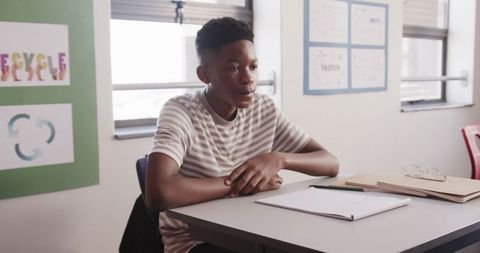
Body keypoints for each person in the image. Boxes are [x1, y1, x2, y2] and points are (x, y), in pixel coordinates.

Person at [145, 17, 339, 253]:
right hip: (196, 241)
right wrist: (243, 184)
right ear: (204, 74)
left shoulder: (264, 108)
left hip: (255, 229)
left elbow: (330, 163)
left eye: (253, 67)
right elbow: (159, 193)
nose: (248, 78)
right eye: (233, 68)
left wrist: (278, 159)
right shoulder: (180, 111)